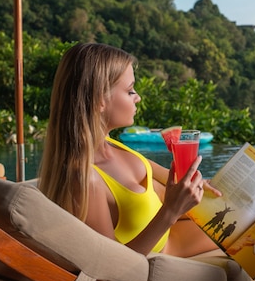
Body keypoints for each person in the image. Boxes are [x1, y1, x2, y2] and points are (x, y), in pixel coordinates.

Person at [38, 42, 220, 257]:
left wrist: (201, 184)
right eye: (130, 90)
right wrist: (170, 212)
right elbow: (111, 268)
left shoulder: (114, 146)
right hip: (165, 252)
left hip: (176, 231)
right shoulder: (86, 179)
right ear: (99, 100)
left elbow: (176, 181)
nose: (138, 97)